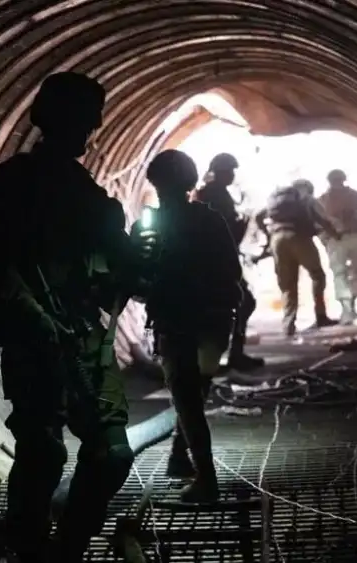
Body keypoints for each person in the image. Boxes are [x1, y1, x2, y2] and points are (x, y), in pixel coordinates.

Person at [0, 72, 142, 563]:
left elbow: (118, 266)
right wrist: (34, 318)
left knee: (108, 453)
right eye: (86, 118)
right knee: (45, 452)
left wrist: (131, 268)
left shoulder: (76, 186)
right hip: (34, 338)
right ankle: (32, 548)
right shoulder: (14, 184)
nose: (93, 128)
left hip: (84, 337)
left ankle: (67, 547)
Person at [130, 149, 243, 502]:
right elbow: (233, 271)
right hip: (214, 321)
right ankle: (180, 458)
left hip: (177, 321)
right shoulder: (211, 219)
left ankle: (206, 479)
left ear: (154, 183)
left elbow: (135, 282)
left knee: (186, 398)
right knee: (197, 392)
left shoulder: (149, 228)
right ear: (191, 181)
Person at [190, 153, 265, 371]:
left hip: (208, 260)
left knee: (222, 306)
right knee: (243, 303)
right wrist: (241, 225)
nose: (232, 175)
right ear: (221, 172)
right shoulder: (216, 195)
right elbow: (224, 231)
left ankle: (214, 357)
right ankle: (231, 356)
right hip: (217, 261)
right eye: (229, 171)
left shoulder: (206, 193)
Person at [254, 179, 341, 337]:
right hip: (299, 238)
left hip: (277, 240)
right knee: (318, 276)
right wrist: (336, 235)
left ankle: (288, 325)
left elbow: (258, 216)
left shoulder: (278, 201)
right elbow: (322, 220)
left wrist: (268, 235)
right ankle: (320, 316)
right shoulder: (307, 199)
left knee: (288, 284)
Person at [317, 169, 357, 324]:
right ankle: (352, 303)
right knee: (355, 272)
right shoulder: (356, 195)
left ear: (329, 181)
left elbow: (318, 223)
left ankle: (347, 309)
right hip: (355, 236)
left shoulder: (322, 199)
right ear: (344, 179)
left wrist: (325, 239)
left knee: (339, 274)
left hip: (335, 239)